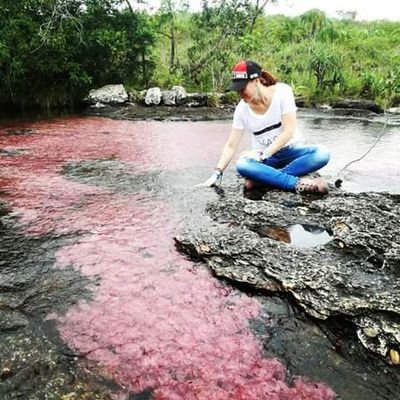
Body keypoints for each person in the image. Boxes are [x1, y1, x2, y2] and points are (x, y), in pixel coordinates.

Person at [202, 60, 330, 193]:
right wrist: (217, 172)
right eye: (237, 90)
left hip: (290, 152)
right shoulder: (241, 110)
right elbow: (231, 145)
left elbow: (289, 131)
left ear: (256, 81)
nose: (240, 93)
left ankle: (267, 179)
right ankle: (293, 183)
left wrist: (263, 154)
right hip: (267, 160)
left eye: (242, 88)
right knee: (243, 164)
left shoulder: (282, 92)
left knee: (322, 153)